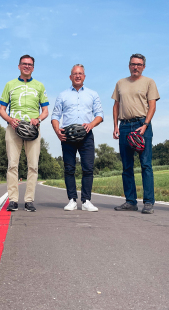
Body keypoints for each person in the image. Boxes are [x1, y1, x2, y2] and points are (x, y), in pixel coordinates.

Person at [0, 55, 49, 212]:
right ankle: (13, 199)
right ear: (19, 66)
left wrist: (38, 119)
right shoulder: (10, 85)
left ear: (33, 68)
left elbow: (45, 110)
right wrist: (9, 119)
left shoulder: (40, 86)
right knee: (12, 164)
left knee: (33, 166)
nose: (27, 66)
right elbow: (2, 110)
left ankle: (29, 200)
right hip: (14, 128)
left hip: (33, 129)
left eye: (30, 64)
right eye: (24, 64)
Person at [51, 64, 103, 212]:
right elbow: (55, 116)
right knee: (69, 169)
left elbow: (100, 114)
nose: (78, 76)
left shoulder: (93, 94)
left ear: (84, 76)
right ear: (70, 77)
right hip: (67, 136)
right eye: (75, 73)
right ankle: (72, 200)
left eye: (80, 73)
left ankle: (86, 201)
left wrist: (91, 124)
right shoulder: (62, 95)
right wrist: (57, 130)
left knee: (88, 168)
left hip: (86, 135)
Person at [112, 54, 159, 214]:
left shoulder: (149, 82)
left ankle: (148, 202)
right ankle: (131, 201)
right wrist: (115, 126)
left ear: (143, 66)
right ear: (129, 65)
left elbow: (152, 106)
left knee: (146, 165)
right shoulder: (120, 83)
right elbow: (116, 106)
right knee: (127, 166)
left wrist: (145, 124)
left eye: (139, 64)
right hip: (124, 126)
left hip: (142, 125)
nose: (135, 67)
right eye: (133, 64)